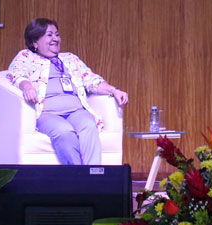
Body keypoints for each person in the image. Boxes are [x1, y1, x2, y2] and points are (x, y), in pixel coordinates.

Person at [7, 18, 129, 165]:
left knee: (89, 125)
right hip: (47, 113)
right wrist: (27, 86)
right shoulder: (26, 56)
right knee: (64, 131)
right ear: (35, 42)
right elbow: (16, 73)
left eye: (57, 34)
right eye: (49, 35)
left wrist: (113, 90)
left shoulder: (70, 58)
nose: (55, 39)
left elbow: (90, 79)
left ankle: (93, 173)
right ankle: (77, 175)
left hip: (76, 111)